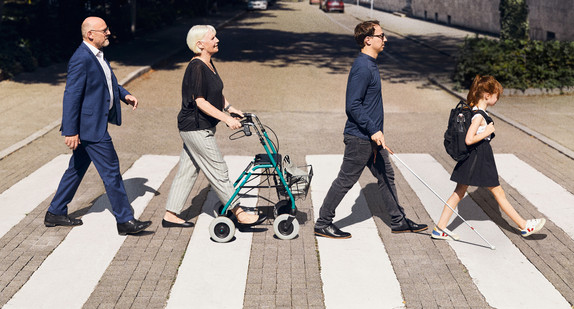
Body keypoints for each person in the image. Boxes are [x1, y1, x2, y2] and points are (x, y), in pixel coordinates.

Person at [314, 20, 428, 239]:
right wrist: (373, 130)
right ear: (368, 40)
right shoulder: (363, 67)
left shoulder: (371, 64)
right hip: (360, 138)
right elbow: (353, 104)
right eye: (381, 36)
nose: (385, 39)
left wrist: (375, 132)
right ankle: (323, 223)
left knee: (387, 176)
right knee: (345, 180)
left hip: (370, 137)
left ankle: (398, 221)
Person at [45, 17, 151, 236]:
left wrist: (125, 95)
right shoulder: (81, 58)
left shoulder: (97, 55)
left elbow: (108, 81)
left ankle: (55, 212)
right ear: (90, 34)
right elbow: (71, 95)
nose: (109, 32)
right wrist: (70, 130)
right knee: (111, 170)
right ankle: (125, 220)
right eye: (104, 30)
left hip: (92, 124)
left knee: (76, 168)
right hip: (90, 127)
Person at [162, 25, 266, 228]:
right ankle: (239, 213)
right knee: (218, 169)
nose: (217, 40)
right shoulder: (196, 67)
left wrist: (230, 108)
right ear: (200, 44)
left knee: (188, 170)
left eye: (216, 37)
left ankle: (170, 215)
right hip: (195, 127)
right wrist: (226, 119)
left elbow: (216, 93)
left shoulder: (208, 64)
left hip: (198, 127)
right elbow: (200, 101)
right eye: (213, 38)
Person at [432, 75, 546, 240]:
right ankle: (524, 226)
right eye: (496, 95)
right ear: (487, 95)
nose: (497, 98)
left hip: (471, 158)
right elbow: (469, 139)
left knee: (459, 192)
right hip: (480, 159)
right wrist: (486, 132)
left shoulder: (474, 111)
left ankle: (439, 228)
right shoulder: (479, 116)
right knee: (498, 192)